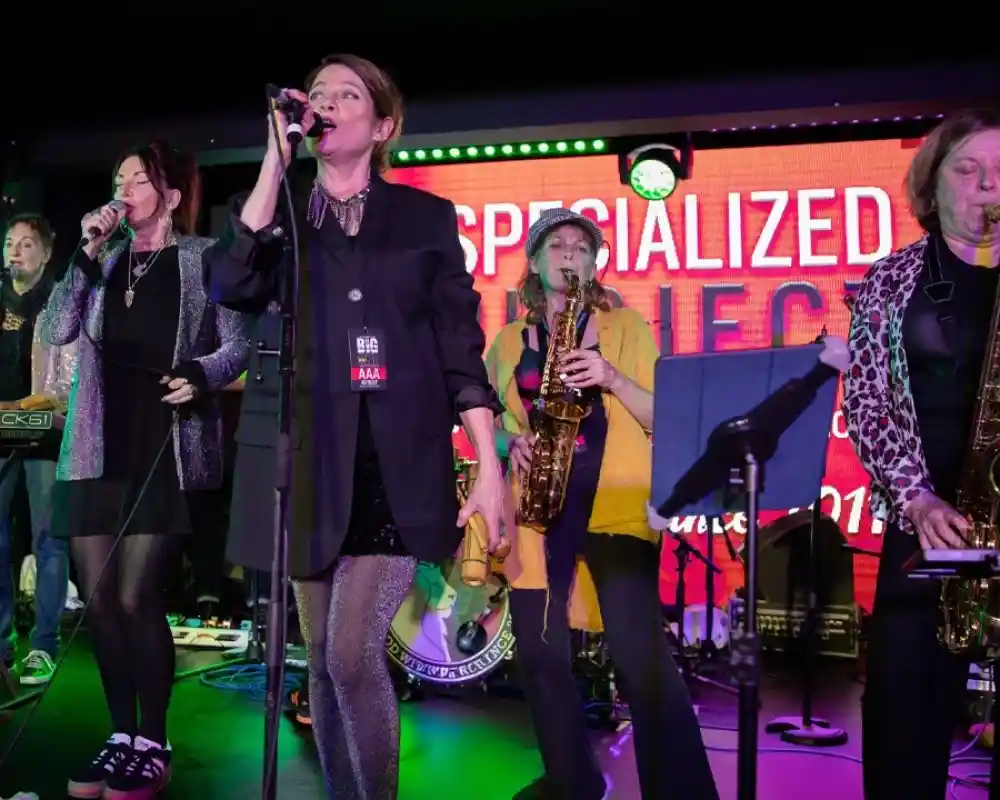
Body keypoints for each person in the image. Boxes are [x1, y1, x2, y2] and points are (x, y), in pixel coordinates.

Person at [202, 53, 504, 799]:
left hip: (397, 469)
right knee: (321, 662)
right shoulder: (283, 219)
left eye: (348, 94)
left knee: (346, 654)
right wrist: (276, 161)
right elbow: (231, 284)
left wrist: (490, 470)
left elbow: (461, 351)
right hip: (311, 465)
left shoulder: (425, 220)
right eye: (321, 93)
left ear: (383, 125)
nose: (329, 103)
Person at [486, 207, 719, 800]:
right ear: (535, 264)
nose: (569, 253)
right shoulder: (510, 340)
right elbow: (483, 419)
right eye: (556, 245)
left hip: (614, 502)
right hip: (537, 509)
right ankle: (572, 782)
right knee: (539, 655)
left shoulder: (627, 328)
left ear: (594, 264)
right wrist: (512, 440)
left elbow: (662, 416)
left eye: (581, 246)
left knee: (641, 657)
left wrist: (612, 377)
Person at [41, 141, 250, 799]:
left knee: (136, 596)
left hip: (165, 442)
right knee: (100, 600)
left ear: (173, 196)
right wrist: (84, 251)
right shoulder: (100, 263)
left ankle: (154, 740)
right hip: (96, 445)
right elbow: (55, 329)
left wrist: (201, 375)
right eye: (118, 178)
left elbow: (236, 345)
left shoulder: (201, 259)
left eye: (139, 178)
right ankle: (119, 735)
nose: (125, 187)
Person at [843, 108, 1000, 800]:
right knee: (905, 720)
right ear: (931, 185)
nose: (987, 188)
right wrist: (916, 493)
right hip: (923, 524)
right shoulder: (891, 279)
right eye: (968, 171)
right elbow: (867, 403)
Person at [0, 214, 74, 686]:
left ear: (46, 254)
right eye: (10, 243)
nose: (15, 251)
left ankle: (43, 644)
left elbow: (67, 381)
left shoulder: (60, 300)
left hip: (44, 430)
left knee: (49, 540)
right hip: (0, 427)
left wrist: (27, 407)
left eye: (27, 244)